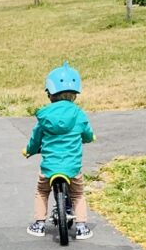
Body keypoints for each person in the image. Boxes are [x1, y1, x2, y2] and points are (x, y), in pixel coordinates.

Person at [23, 62, 96, 240]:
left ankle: (39, 224)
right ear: (75, 95)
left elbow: (36, 139)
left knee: (42, 192)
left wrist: (29, 150)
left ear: (49, 93)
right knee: (78, 194)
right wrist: (88, 138)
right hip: (72, 167)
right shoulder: (79, 114)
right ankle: (82, 227)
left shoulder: (45, 117)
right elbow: (87, 133)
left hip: (50, 167)